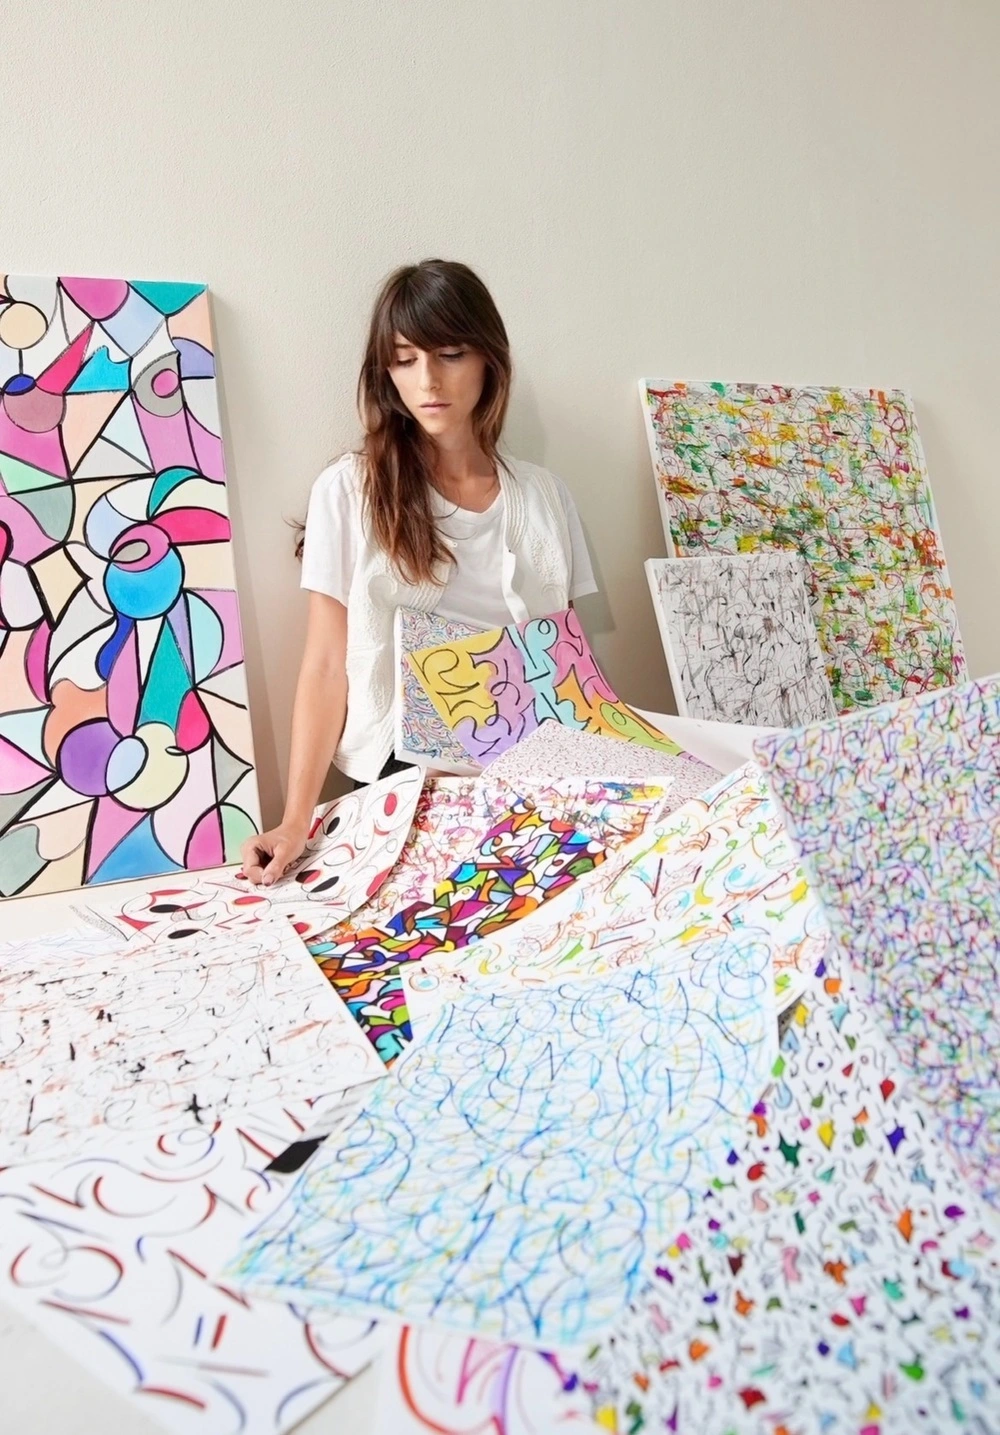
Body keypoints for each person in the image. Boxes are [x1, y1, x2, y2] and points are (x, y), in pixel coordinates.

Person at [241, 259, 597, 885]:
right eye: (404, 360)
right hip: (408, 780)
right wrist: (295, 820)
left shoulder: (545, 496)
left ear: (489, 360)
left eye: (450, 354)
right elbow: (325, 663)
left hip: (533, 772)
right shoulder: (351, 489)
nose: (427, 380)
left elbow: (570, 665)